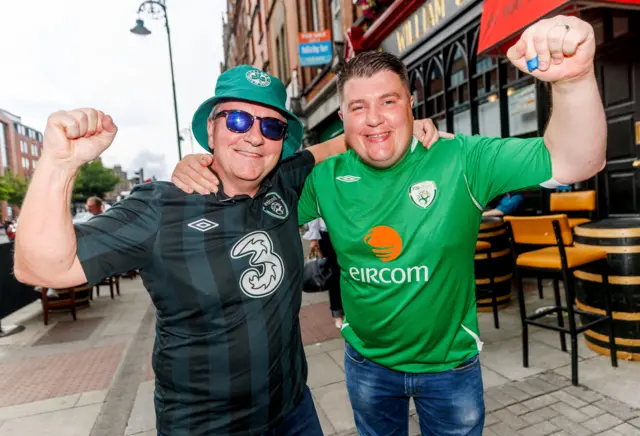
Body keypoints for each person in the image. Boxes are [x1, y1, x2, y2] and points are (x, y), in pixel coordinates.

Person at [173, 15, 607, 435]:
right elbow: (247, 205)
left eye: (388, 101)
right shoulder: (323, 180)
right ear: (342, 120)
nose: (374, 118)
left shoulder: (460, 158)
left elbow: (578, 160)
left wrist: (573, 81)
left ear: (411, 105)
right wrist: (206, 167)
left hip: (449, 369)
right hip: (366, 366)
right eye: (358, 107)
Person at [13, 65, 442, 436]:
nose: (254, 136)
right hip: (204, 426)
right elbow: (44, 267)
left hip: (293, 411)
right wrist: (60, 163)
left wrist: (408, 127)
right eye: (237, 120)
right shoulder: (160, 206)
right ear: (212, 130)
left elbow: (347, 141)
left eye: (271, 126)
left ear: (281, 141)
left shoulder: (283, 183)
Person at [303, 218, 343, 328]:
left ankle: (347, 311)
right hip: (327, 233)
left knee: (349, 275)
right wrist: (313, 239)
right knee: (334, 275)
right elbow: (315, 209)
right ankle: (337, 313)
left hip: (347, 231)